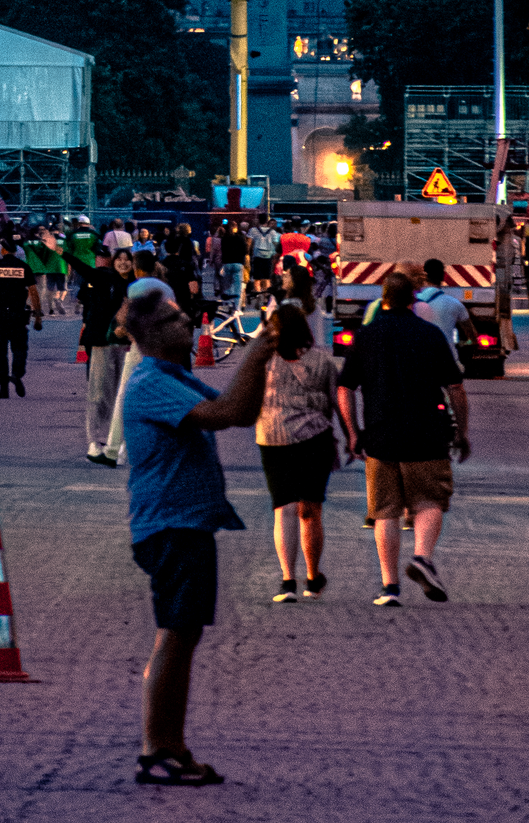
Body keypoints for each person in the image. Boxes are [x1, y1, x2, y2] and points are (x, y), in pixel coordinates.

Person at [117, 291, 275, 784]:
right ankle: (157, 749)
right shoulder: (149, 382)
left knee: (182, 637)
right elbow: (228, 412)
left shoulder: (172, 376)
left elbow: (241, 411)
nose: (187, 323)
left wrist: (264, 353)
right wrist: (258, 349)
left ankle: (170, 745)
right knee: (175, 636)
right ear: (154, 332)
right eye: (175, 319)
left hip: (186, 521)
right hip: (171, 523)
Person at [336, 270, 470, 607]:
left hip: (380, 435)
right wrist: (462, 433)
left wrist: (353, 433)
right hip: (427, 433)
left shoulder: (365, 337)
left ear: (383, 298)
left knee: (384, 512)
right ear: (414, 298)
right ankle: (422, 558)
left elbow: (345, 389)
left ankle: (389, 587)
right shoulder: (430, 335)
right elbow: (455, 387)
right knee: (430, 501)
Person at [256, 301, 349, 603]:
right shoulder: (321, 361)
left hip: (272, 437)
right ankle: (312, 575)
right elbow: (337, 400)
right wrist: (352, 436)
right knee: (310, 511)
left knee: (283, 508)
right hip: (314, 438)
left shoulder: (264, 360)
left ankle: (287, 581)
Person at [79, 246, 133, 464]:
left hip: (127, 345)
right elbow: (85, 295)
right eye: (118, 259)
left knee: (123, 394)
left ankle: (118, 443)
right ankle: (94, 442)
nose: (122, 263)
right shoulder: (103, 278)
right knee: (98, 392)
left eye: (126, 259)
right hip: (101, 343)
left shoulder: (136, 285)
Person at [0, 232, 41, 399]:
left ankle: (3, 388)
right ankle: (16, 374)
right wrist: (37, 316)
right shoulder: (24, 267)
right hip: (18, 315)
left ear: (3, 251)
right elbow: (34, 292)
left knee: (0, 354)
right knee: (20, 349)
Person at [413, 258, 473, 371]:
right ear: (443, 277)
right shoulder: (455, 304)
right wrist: (462, 342)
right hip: (448, 363)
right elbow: (472, 337)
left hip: (419, 362)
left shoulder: (412, 304)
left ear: (423, 277)